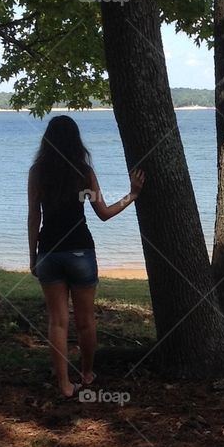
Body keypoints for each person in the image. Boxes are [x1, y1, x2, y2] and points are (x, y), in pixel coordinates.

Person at [27, 115, 145, 398]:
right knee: (85, 321)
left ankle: (64, 385)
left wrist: (33, 256)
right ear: (76, 142)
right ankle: (88, 373)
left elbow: (34, 216)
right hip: (80, 251)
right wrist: (133, 194)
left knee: (57, 321)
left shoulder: (37, 172)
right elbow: (103, 213)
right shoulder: (84, 172)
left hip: (50, 252)